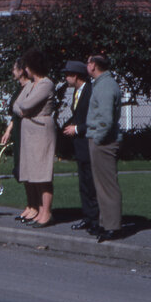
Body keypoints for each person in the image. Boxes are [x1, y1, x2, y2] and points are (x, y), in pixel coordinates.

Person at [13, 49, 56, 227]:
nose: (25, 70)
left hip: (41, 132)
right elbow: (16, 105)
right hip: (29, 133)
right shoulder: (31, 84)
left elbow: (26, 105)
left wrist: (24, 110)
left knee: (42, 173)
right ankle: (38, 208)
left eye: (27, 66)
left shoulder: (46, 84)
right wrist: (23, 110)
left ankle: (46, 212)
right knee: (32, 173)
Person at [85, 54, 123, 242]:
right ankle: (105, 222)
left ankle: (112, 226)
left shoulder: (106, 86)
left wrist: (98, 139)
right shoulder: (101, 84)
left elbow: (106, 119)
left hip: (104, 141)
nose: (86, 66)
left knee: (107, 186)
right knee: (101, 185)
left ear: (93, 65)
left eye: (88, 63)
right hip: (100, 139)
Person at [61, 60, 100, 233]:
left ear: (75, 76)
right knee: (83, 183)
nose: (65, 78)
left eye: (67, 74)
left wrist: (77, 129)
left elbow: (94, 119)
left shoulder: (90, 91)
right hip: (80, 145)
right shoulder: (77, 92)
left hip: (88, 142)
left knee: (91, 183)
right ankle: (88, 217)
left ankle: (96, 219)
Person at [0, 57, 29, 192]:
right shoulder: (19, 89)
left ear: (21, 71)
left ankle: (34, 201)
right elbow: (14, 115)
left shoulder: (30, 87)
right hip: (17, 130)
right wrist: (8, 131)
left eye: (14, 69)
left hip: (26, 131)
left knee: (27, 168)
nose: (12, 71)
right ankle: (30, 201)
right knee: (19, 168)